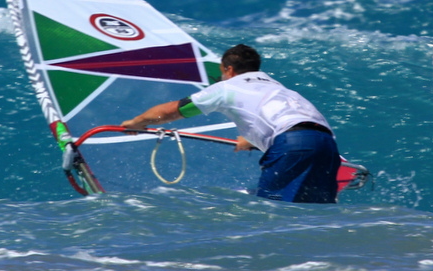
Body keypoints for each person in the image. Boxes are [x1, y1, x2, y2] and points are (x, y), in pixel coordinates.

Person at [121, 44, 341, 203]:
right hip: (326, 144)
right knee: (315, 213)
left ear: (228, 69)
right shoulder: (276, 86)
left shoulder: (228, 87)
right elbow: (288, 121)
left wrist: (137, 122)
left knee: (275, 213)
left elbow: (173, 110)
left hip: (291, 143)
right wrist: (253, 140)